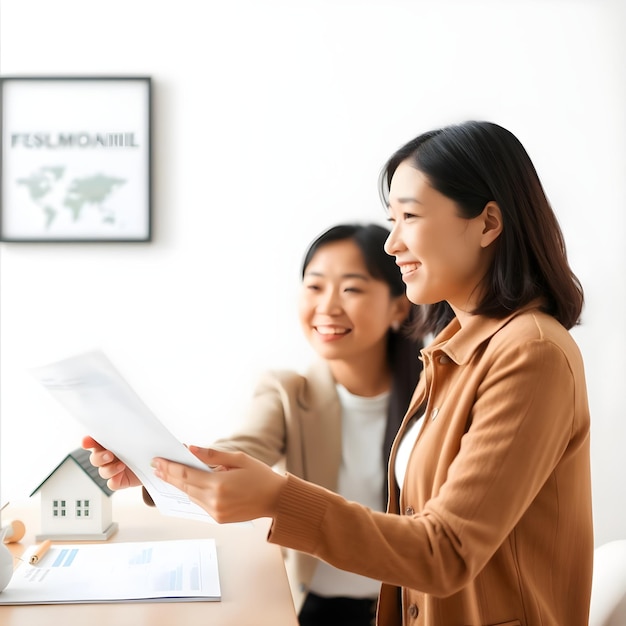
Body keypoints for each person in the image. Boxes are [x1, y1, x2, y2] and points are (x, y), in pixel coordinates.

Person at [143, 121, 594, 625]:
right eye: (391, 218)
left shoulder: (530, 353)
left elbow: (444, 552)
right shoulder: (453, 352)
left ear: (489, 224)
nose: (392, 242)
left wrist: (276, 496)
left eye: (410, 216)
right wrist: (149, 464)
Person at [83, 222, 424, 626]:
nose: (328, 306)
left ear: (399, 305)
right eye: (314, 287)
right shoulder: (286, 392)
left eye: (351, 288)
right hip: (316, 609)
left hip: (415, 606)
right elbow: (236, 454)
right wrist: (150, 466)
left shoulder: (436, 395)